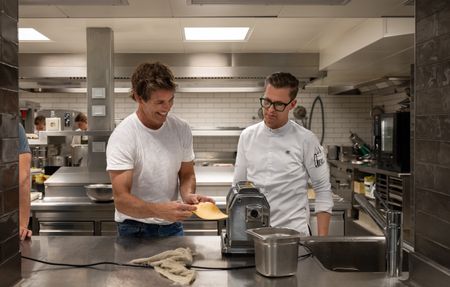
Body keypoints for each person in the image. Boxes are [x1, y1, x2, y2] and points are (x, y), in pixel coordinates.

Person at [106, 62, 213, 238]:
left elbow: (187, 173)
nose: (168, 108)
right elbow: (122, 201)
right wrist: (158, 211)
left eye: (171, 100)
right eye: (160, 102)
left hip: (172, 226)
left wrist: (188, 195)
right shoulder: (123, 136)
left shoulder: (181, 128)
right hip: (134, 229)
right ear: (139, 98)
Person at [233, 72, 333, 236]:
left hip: (294, 235)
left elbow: (322, 190)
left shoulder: (306, 139)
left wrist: (322, 243)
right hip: (254, 234)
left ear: (292, 104)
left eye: (279, 104)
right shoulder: (247, 136)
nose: (270, 110)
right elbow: (238, 186)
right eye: (267, 102)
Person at [19, 123, 33, 240]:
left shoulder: (14, 128)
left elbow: (23, 177)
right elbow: (23, 178)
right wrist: (22, 225)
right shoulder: (15, 127)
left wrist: (22, 225)